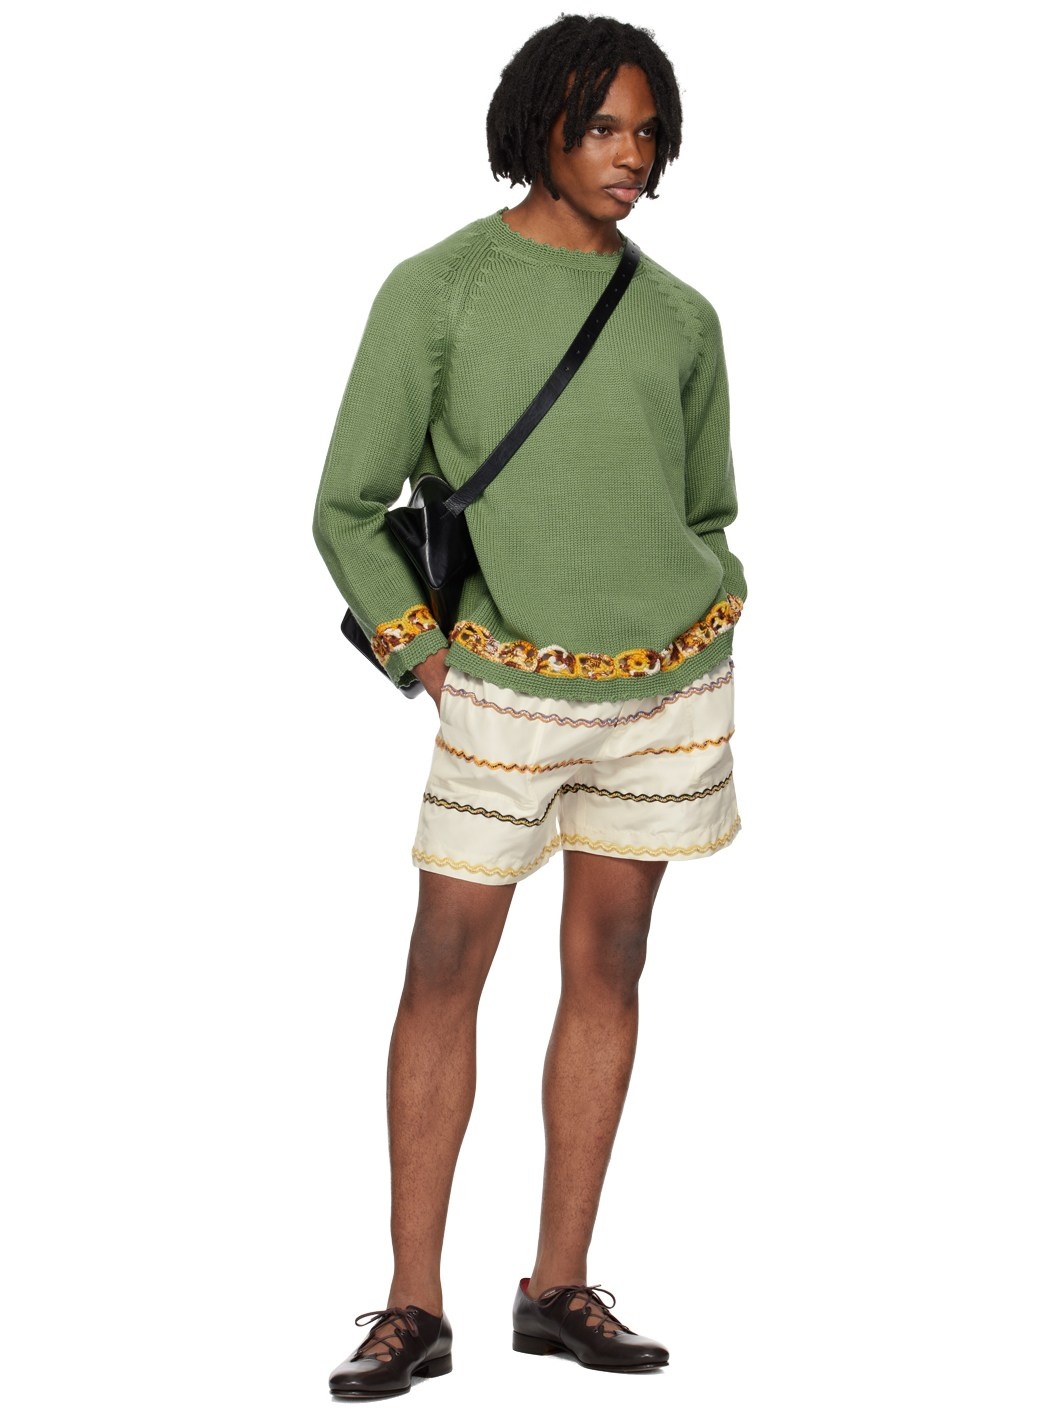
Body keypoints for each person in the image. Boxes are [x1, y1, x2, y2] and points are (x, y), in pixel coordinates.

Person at [312, 13, 747, 1398]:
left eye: (648, 131)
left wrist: (708, 602)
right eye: (604, 127)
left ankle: (558, 1287)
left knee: (609, 963)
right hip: (502, 690)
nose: (633, 155)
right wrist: (426, 658)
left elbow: (705, 508)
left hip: (668, 693)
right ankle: (412, 1305)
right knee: (444, 966)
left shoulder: (681, 317)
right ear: (538, 126)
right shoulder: (439, 290)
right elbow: (346, 505)